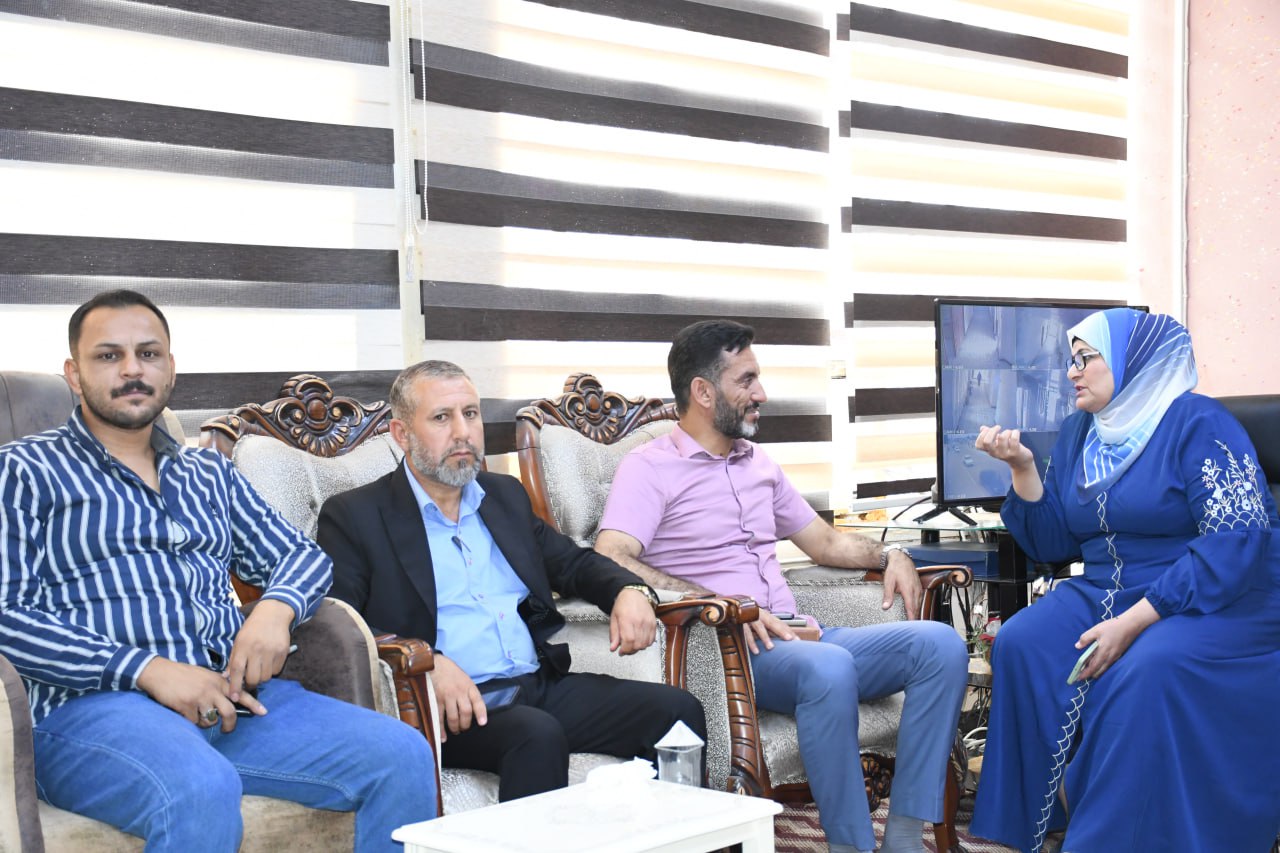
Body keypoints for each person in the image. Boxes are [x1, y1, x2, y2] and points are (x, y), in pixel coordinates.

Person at [0, 289, 436, 851]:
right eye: (109, 356)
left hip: (231, 701)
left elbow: (302, 556)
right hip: (93, 712)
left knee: (402, 755)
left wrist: (276, 609)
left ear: (171, 368)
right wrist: (148, 670)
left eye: (148, 354)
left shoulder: (208, 473)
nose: (132, 369)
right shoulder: (23, 471)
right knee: (199, 788)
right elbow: (8, 614)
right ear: (74, 375)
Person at [596, 319, 968, 853]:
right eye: (746, 380)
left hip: (803, 636)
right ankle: (851, 846)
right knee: (828, 666)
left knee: (941, 646)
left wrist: (892, 555)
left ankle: (904, 836)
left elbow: (825, 543)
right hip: (730, 648)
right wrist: (721, 602)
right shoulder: (650, 468)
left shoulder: (758, 463)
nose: (761, 394)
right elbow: (612, 554)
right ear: (703, 392)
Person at [316, 360, 706, 802]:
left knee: (676, 712)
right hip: (444, 706)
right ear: (402, 434)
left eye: (470, 414)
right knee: (535, 734)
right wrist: (428, 664)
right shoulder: (356, 516)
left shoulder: (503, 496)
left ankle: (684, 833)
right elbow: (340, 626)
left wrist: (628, 590)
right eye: (442, 417)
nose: (463, 432)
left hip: (536, 686)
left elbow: (572, 564)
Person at [968, 308, 1280, 853]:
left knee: (1147, 667)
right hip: (1106, 589)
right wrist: (1022, 467)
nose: (1072, 372)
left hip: (1215, 594)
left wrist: (1133, 623)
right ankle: (1041, 822)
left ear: (1132, 361)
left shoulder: (1198, 423)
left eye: (1086, 358)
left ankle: (1114, 834)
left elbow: (1236, 540)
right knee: (1022, 641)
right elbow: (1053, 545)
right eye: (1070, 360)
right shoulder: (1080, 431)